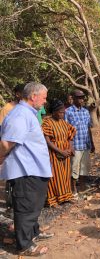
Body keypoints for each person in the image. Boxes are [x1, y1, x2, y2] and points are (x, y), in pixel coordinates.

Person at [0, 82, 53, 256]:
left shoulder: (28, 113)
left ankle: (33, 232)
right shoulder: (21, 114)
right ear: (33, 96)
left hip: (33, 169)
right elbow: (6, 143)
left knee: (34, 205)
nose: (45, 102)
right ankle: (24, 245)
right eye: (44, 98)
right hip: (25, 171)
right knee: (26, 207)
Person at [42, 99, 76, 207]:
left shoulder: (63, 122)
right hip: (54, 153)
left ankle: (66, 196)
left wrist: (71, 148)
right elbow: (47, 140)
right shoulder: (47, 122)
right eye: (60, 112)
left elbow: (70, 136)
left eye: (63, 112)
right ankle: (54, 199)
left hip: (65, 153)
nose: (62, 114)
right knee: (55, 176)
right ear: (54, 111)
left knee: (65, 175)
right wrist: (60, 150)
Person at [65, 89, 95, 195]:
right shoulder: (68, 112)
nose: (81, 100)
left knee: (84, 167)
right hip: (76, 145)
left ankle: (82, 187)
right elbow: (66, 131)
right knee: (74, 168)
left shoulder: (86, 111)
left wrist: (92, 143)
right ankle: (73, 190)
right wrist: (70, 146)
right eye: (79, 98)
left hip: (85, 143)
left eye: (82, 98)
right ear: (73, 98)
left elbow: (88, 128)